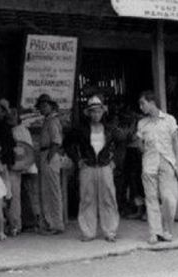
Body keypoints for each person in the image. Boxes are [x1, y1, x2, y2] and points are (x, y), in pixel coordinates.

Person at [69, 94, 120, 242]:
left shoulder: (109, 128)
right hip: (88, 167)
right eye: (93, 111)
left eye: (98, 111)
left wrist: (114, 160)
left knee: (109, 198)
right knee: (87, 199)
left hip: (105, 166)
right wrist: (77, 159)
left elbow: (121, 142)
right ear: (89, 113)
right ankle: (88, 232)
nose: (96, 114)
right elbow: (68, 143)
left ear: (103, 112)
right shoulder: (81, 129)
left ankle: (110, 231)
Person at [136, 90, 178, 243]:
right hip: (149, 163)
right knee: (151, 198)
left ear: (152, 102)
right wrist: (144, 150)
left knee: (169, 198)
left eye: (143, 103)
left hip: (167, 161)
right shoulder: (142, 123)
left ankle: (167, 229)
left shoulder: (169, 120)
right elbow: (139, 144)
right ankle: (155, 232)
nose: (141, 107)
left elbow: (176, 143)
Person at [6, 106, 39, 235]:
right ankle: (31, 222)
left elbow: (21, 150)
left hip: (20, 167)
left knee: (15, 197)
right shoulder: (24, 129)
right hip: (28, 167)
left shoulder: (15, 131)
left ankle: (17, 224)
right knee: (28, 196)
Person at [35, 93, 65, 233]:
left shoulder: (52, 121)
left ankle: (56, 224)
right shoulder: (48, 120)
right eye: (41, 105)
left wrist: (48, 158)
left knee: (53, 191)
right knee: (47, 191)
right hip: (46, 154)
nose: (42, 108)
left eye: (44, 105)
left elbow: (56, 142)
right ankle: (49, 222)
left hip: (49, 155)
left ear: (50, 106)